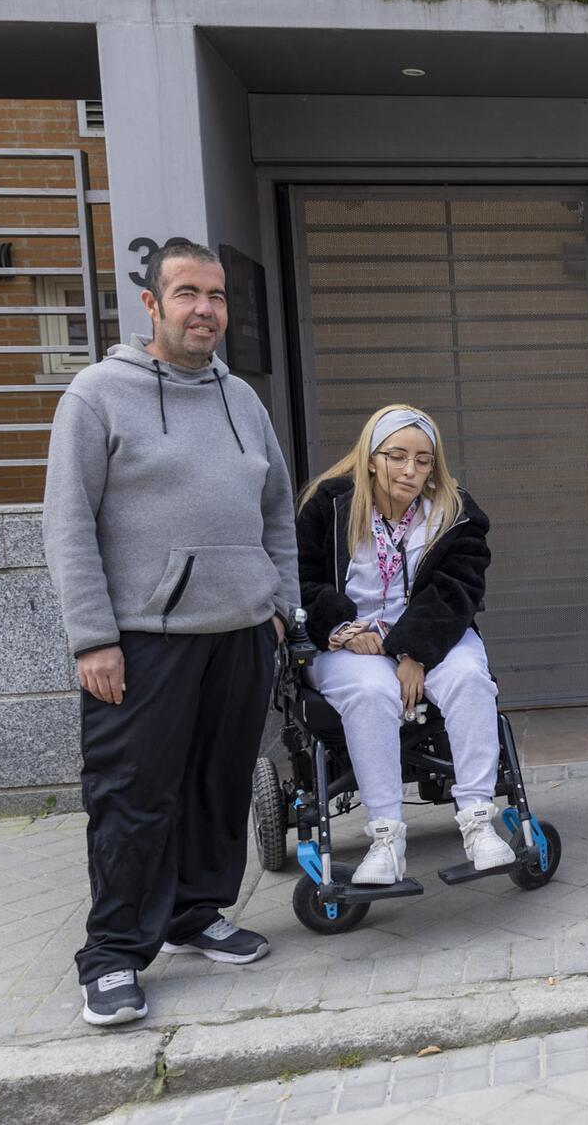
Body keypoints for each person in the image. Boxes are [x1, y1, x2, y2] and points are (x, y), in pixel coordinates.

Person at [43, 239, 297, 1028]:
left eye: (216, 295)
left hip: (241, 632)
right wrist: (92, 638)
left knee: (219, 784)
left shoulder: (242, 400)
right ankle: (114, 953)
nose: (205, 310)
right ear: (152, 304)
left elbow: (277, 510)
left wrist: (281, 603)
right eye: (187, 293)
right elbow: (67, 524)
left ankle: (196, 913)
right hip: (143, 640)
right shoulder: (97, 396)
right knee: (133, 796)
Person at [295, 404, 516, 886]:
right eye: (398, 457)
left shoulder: (455, 513)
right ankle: (386, 837)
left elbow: (457, 590)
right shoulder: (328, 504)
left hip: (430, 633)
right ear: (372, 457)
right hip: (349, 643)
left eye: (423, 460)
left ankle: (478, 822)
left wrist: (415, 652)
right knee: (372, 693)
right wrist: (344, 627)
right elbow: (302, 580)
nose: (411, 470)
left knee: (468, 678)